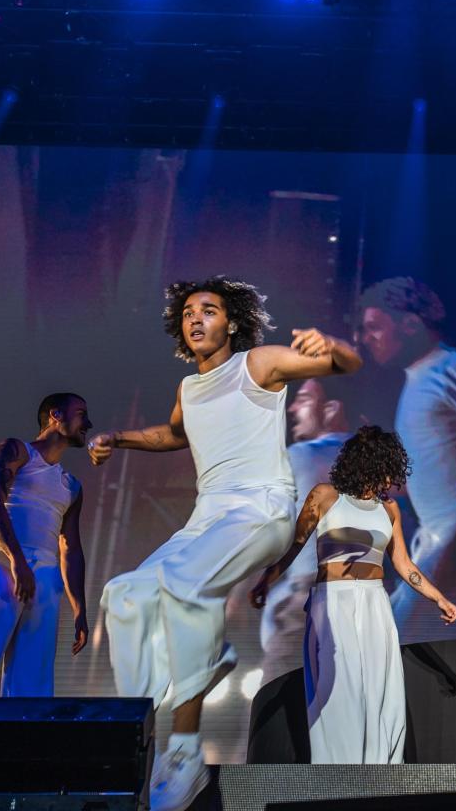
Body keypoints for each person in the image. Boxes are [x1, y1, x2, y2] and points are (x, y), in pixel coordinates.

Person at [89, 276, 360, 811]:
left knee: (187, 587)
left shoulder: (257, 364)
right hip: (206, 516)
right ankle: (163, 707)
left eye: (208, 311)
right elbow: (175, 434)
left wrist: (328, 347)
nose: (195, 319)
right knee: (125, 594)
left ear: (231, 322)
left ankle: (185, 752)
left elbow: (347, 365)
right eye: (188, 312)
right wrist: (117, 439)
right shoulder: (189, 389)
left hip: (261, 507)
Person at [250, 426, 456, 762]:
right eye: (388, 468)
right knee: (338, 686)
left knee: (378, 685)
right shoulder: (324, 496)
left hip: (374, 603)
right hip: (332, 601)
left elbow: (404, 564)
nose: (392, 479)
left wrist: (439, 598)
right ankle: (337, 773)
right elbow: (293, 549)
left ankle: (377, 773)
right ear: (372, 464)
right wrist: (265, 582)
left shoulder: (388, 509)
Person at [356, 276, 456, 643]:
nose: (367, 339)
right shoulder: (417, 380)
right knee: (400, 642)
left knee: (409, 645)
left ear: (410, 324)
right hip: (439, 539)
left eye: (374, 328)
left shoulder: (451, 369)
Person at [0, 392, 93, 697]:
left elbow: (71, 548)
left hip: (46, 576)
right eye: (80, 413)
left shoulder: (71, 485)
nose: (87, 423)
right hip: (1, 562)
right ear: (56, 415)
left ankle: (24, 741)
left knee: (32, 684)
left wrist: (80, 608)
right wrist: (17, 561)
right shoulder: (16, 451)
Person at [257, 377, 356, 681]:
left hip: (312, 595)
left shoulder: (301, 455)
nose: (294, 409)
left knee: (278, 699)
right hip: (367, 595)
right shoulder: (377, 463)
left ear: (330, 409)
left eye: (303, 399)